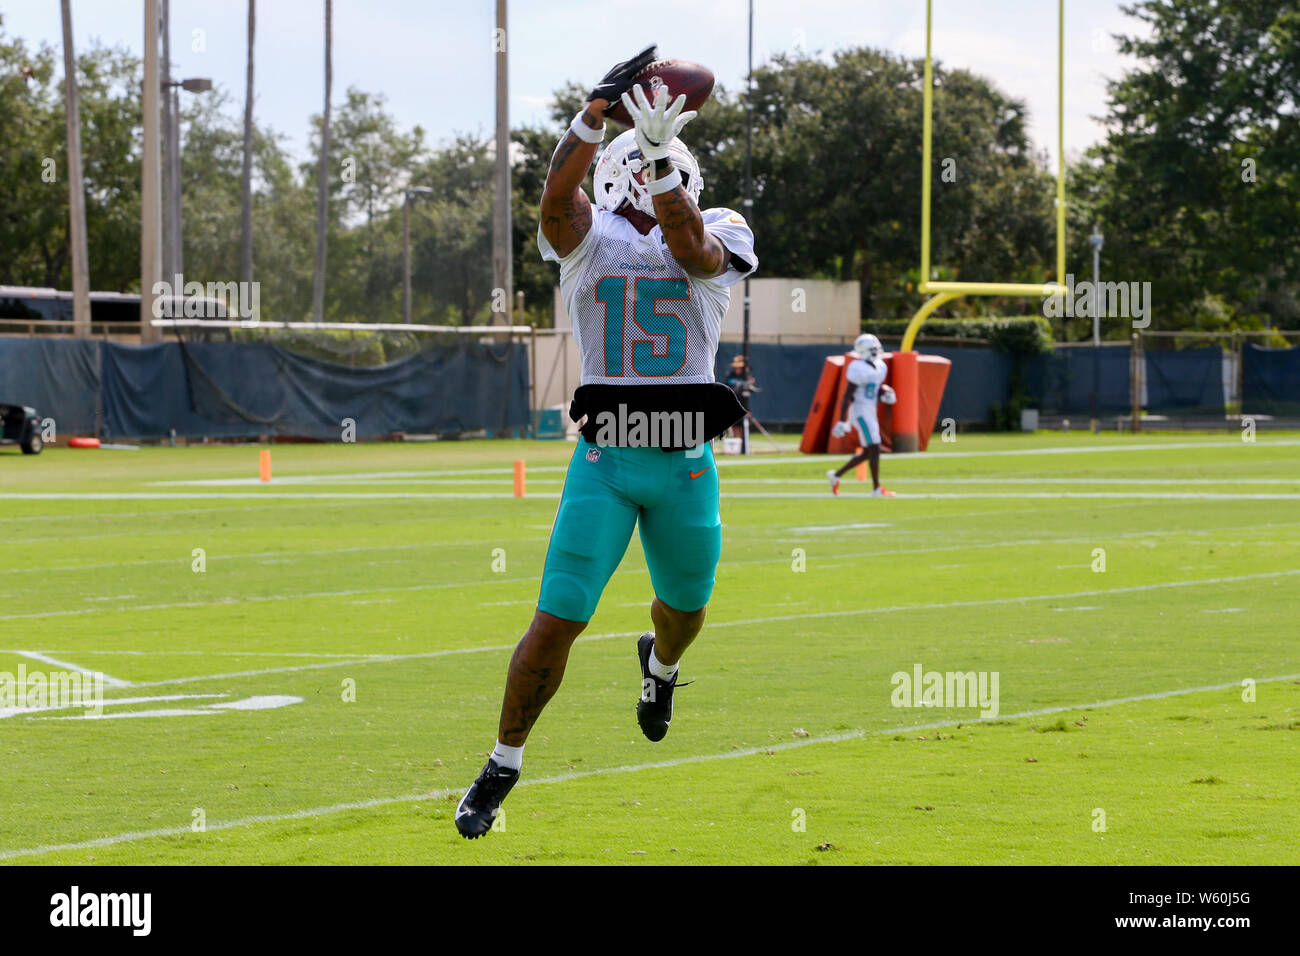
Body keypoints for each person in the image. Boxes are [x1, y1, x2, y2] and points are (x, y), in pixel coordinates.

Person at [455, 45, 758, 839]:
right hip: (607, 462)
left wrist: (657, 160)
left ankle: (660, 672)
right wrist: (591, 116)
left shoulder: (716, 227)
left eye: (674, 165)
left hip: (685, 464)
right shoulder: (588, 240)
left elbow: (694, 251)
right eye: (656, 163)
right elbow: (556, 199)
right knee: (556, 619)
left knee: (684, 611)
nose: (672, 177)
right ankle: (501, 763)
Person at [827, 333, 897, 497]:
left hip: (870, 411)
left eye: (875, 349)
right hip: (859, 412)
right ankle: (876, 488)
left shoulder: (880, 366)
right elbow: (846, 396)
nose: (874, 352)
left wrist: (884, 393)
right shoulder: (857, 368)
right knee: (875, 446)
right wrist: (842, 420)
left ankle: (836, 475)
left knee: (868, 451)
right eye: (871, 349)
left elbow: (873, 389)